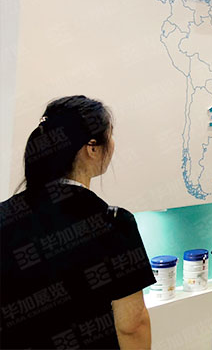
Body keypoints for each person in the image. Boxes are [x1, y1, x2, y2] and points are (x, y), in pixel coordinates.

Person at [0, 96, 154, 349]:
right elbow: (132, 325)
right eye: (110, 135)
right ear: (91, 148)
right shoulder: (114, 223)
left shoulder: (4, 216)